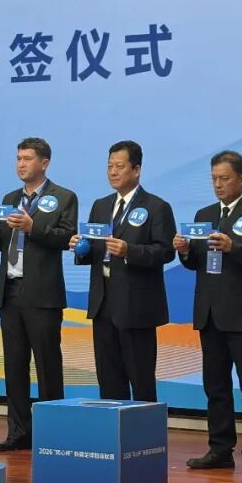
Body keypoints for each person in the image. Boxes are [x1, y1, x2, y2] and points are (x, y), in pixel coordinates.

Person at [175, 150, 242, 477]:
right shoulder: (204, 214)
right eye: (214, 179)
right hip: (210, 314)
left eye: (224, 178)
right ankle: (220, 449)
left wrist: (235, 248)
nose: (218, 184)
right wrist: (185, 251)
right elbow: (196, 263)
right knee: (215, 387)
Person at [0, 137, 76, 452]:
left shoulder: (63, 197)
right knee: (14, 366)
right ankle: (18, 432)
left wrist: (34, 228)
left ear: (44, 163)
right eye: (18, 158)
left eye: (27, 158)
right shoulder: (10, 198)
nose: (21, 164)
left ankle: (53, 432)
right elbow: (1, 242)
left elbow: (67, 238)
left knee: (47, 366)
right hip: (11, 292)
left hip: (43, 295)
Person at [68, 140, 175, 402]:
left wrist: (130, 251)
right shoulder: (101, 205)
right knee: (109, 378)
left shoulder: (156, 206)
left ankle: (145, 429)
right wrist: (80, 248)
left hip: (136, 305)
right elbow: (94, 249)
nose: (113, 172)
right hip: (103, 302)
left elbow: (166, 251)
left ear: (136, 170)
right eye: (109, 166)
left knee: (141, 379)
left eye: (119, 166)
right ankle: (113, 428)